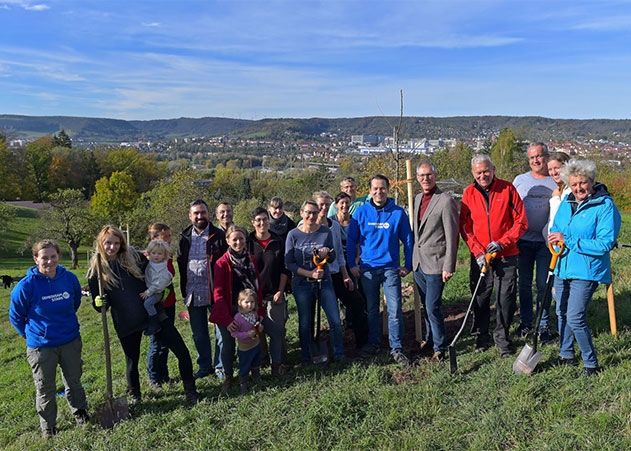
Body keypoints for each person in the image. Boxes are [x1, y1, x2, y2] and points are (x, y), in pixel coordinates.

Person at [89, 225, 198, 404]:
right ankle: (135, 396)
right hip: (126, 321)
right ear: (101, 243)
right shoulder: (97, 270)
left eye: (116, 243)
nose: (112, 247)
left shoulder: (135, 257)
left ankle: (190, 390)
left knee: (182, 351)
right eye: (108, 243)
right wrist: (99, 302)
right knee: (132, 361)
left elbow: (157, 273)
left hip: (153, 314)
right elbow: (97, 305)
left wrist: (163, 290)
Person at [9, 240, 89, 438]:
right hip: (42, 347)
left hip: (70, 340)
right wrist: (30, 335)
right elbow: (15, 316)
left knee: (74, 381)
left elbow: (75, 301)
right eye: (44, 257)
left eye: (53, 256)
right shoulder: (26, 286)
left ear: (58, 257)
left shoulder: (68, 278)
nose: (49, 261)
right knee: (45, 388)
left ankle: (80, 411)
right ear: (36, 259)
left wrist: (65, 324)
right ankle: (49, 426)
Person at [548, 159, 621, 376]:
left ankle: (591, 363)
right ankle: (566, 353)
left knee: (575, 316)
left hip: (587, 270)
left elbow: (605, 243)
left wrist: (569, 240)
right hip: (562, 265)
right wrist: (554, 242)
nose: (579, 188)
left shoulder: (605, 205)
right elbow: (556, 229)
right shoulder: (567, 202)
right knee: (561, 311)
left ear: (592, 181)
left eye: (583, 183)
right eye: (574, 184)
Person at [460, 154, 528, 357]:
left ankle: (502, 337)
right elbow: (465, 226)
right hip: (481, 256)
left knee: (505, 297)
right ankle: (482, 335)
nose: (483, 175)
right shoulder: (469, 193)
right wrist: (478, 251)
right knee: (480, 296)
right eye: (479, 172)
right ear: (473, 173)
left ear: (493, 169)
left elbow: (521, 222)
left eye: (486, 171)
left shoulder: (507, 189)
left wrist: (502, 243)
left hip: (506, 254)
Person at [347, 174, 413, 365]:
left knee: (394, 309)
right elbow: (352, 240)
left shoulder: (398, 213)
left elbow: (408, 240)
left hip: (390, 268)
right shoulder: (361, 213)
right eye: (375, 188)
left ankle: (396, 347)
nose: (379, 192)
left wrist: (407, 265)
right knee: (372, 309)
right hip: (368, 268)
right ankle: (373, 343)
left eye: (382, 188)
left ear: (388, 189)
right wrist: (352, 264)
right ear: (369, 191)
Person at [285, 200, 346, 364]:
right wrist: (310, 274)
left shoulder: (325, 232)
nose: (311, 216)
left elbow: (332, 256)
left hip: (324, 281)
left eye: (314, 212)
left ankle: (339, 353)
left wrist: (325, 254)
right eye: (308, 212)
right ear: (301, 213)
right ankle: (307, 356)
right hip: (302, 283)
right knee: (306, 322)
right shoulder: (293, 235)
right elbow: (289, 263)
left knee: (334, 319)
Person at [412, 162, 459, 362]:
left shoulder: (445, 200)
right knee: (426, 305)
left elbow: (452, 235)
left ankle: (440, 346)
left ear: (435, 175)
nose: (425, 179)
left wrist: (449, 266)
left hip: (436, 263)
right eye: (421, 176)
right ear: (417, 178)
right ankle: (430, 341)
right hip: (419, 263)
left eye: (429, 175)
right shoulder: (416, 199)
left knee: (433, 306)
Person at [513, 142, 558, 342]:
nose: (535, 160)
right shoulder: (520, 180)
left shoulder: (555, 181)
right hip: (522, 241)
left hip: (545, 243)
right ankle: (525, 322)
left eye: (539, 156)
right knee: (523, 284)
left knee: (543, 283)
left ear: (546, 157)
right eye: (531, 158)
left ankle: (543, 324)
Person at [210, 225, 264, 392]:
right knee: (227, 344)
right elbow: (218, 293)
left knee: (253, 340)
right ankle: (228, 376)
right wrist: (227, 319)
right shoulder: (221, 263)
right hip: (228, 308)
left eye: (241, 238)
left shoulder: (252, 259)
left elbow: (257, 287)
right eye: (234, 239)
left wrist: (259, 311)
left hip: (249, 307)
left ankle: (253, 371)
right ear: (227, 240)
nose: (238, 242)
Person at [177, 199, 227, 379]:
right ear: (190, 216)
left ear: (208, 214)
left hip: (215, 293)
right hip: (193, 292)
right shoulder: (184, 238)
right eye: (196, 213)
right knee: (199, 334)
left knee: (221, 332)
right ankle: (205, 366)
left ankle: (221, 366)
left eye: (203, 212)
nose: (200, 216)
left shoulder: (219, 236)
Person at [318, 191, 368, 350]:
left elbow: (339, 253)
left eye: (326, 204)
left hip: (337, 273)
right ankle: (328, 349)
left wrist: (346, 275)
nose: (323, 208)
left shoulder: (335, 226)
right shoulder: (305, 226)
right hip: (318, 277)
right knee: (329, 316)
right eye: (320, 205)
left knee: (357, 303)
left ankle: (362, 343)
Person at [248, 207, 290, 376]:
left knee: (277, 331)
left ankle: (277, 364)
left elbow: (284, 269)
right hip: (253, 296)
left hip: (274, 293)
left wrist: (280, 291)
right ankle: (261, 360)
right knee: (257, 331)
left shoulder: (278, 241)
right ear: (253, 222)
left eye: (264, 219)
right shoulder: (248, 242)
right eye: (258, 220)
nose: (261, 223)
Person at [145, 223, 177, 388]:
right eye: (166, 236)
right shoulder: (149, 259)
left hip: (169, 302)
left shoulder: (166, 256)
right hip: (158, 305)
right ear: (155, 238)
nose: (169, 239)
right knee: (156, 341)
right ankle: (154, 377)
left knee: (166, 340)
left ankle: (164, 375)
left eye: (170, 236)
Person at [230, 289, 264, 393]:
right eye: (246, 302)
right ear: (240, 302)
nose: (250, 305)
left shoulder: (254, 314)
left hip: (256, 344)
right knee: (244, 365)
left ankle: (256, 377)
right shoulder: (238, 318)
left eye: (252, 302)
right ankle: (243, 383)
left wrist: (260, 328)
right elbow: (234, 333)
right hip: (244, 348)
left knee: (256, 362)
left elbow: (256, 325)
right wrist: (246, 334)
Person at [140, 239, 173, 336]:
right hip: (152, 289)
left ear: (164, 255)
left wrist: (148, 292)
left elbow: (159, 284)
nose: (156, 256)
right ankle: (157, 315)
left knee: (148, 303)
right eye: (153, 253)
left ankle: (154, 323)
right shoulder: (151, 263)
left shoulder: (162, 267)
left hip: (158, 291)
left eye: (159, 253)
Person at [544, 151, 571, 237]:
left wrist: (555, 198)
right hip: (555, 245)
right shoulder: (560, 190)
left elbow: (559, 217)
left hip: (565, 243)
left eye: (557, 168)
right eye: (550, 170)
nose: (553, 172)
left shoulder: (572, 191)